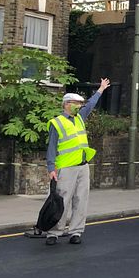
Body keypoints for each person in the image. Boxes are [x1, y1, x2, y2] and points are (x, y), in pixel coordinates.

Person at [45, 78, 111, 246]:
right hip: (65, 168)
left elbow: (90, 104)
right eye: (76, 103)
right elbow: (51, 146)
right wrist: (51, 167)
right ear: (67, 104)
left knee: (81, 199)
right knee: (62, 201)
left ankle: (76, 231)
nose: (80, 106)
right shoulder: (57, 123)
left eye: (80, 104)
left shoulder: (80, 117)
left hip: (83, 167)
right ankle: (54, 233)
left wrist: (101, 89)